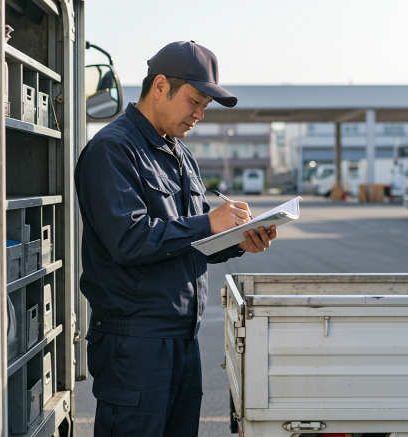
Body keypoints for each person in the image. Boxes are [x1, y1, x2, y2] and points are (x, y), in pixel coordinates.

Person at [74, 41, 277, 437]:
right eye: (195, 101)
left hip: (182, 338)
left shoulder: (180, 155)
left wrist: (237, 240)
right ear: (161, 86)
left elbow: (188, 242)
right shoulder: (113, 150)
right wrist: (208, 223)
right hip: (135, 343)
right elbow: (130, 240)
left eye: (206, 106)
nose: (200, 115)